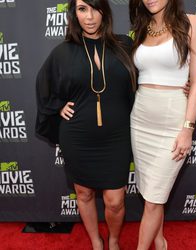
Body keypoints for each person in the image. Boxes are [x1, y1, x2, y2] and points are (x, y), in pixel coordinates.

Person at [35, 0, 136, 249]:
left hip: (117, 136)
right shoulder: (63, 52)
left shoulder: (125, 45)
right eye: (82, 9)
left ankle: (113, 241)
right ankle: (96, 242)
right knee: (84, 194)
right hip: (78, 136)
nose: (89, 16)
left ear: (105, 11)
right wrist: (57, 106)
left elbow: (149, 74)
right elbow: (43, 83)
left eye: (95, 8)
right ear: (74, 14)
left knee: (115, 201)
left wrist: (178, 85)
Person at [129, 0, 196, 249]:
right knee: (151, 194)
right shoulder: (142, 28)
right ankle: (160, 241)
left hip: (173, 119)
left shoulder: (192, 24)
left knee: (154, 198)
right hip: (140, 119)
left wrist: (187, 128)